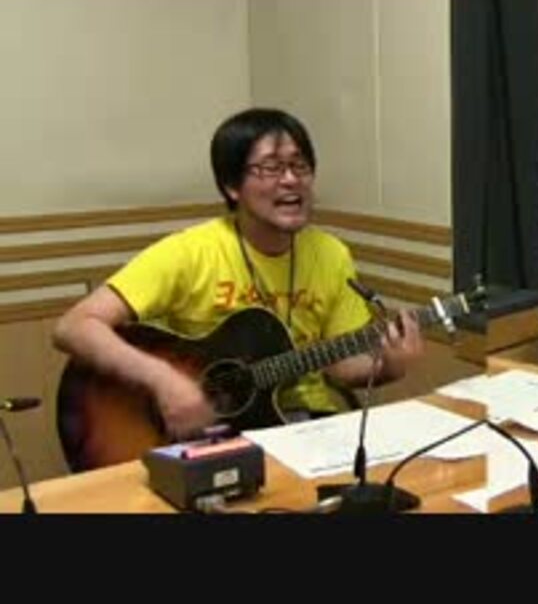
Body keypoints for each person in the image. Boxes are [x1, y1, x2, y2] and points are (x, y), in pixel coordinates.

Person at [53, 107, 424, 439]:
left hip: (306, 427)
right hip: (206, 435)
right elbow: (74, 326)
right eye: (271, 168)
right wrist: (164, 380)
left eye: (300, 166)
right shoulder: (190, 252)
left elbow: (341, 368)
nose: (291, 180)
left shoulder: (331, 254)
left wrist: (388, 365)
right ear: (232, 186)